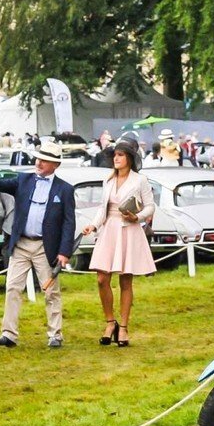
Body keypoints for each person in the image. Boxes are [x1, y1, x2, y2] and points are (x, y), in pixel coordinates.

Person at [0, 144, 76, 349]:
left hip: (46, 247)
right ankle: (8, 334)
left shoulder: (65, 189)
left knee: (51, 292)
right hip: (20, 243)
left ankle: (55, 334)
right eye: (37, 158)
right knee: (12, 287)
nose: (38, 162)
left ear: (55, 164)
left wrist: (64, 252)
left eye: (44, 160)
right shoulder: (24, 179)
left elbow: (69, 222)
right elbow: (2, 184)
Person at [81, 141, 154, 346]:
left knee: (125, 280)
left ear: (129, 158)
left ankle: (123, 326)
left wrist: (137, 217)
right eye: (115, 155)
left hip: (128, 230)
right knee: (102, 278)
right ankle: (109, 321)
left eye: (121, 155)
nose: (116, 158)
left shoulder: (140, 180)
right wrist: (93, 226)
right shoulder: (108, 180)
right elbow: (102, 209)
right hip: (108, 230)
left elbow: (150, 207)